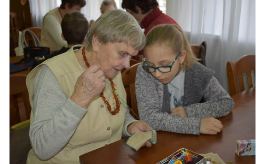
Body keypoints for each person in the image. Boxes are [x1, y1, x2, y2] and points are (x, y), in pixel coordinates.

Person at [26, 9, 153, 164]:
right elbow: (42, 148)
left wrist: (130, 125)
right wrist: (79, 99)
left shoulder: (112, 68)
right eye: (122, 54)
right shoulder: (52, 74)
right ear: (97, 42)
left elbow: (118, 113)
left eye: (131, 56)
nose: (127, 64)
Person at [135, 24, 234, 135]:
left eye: (164, 65)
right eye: (151, 64)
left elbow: (226, 102)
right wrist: (196, 125)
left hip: (187, 141)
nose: (157, 74)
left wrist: (189, 112)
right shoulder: (145, 71)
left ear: (181, 57)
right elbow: (149, 118)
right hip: (159, 142)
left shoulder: (196, 72)